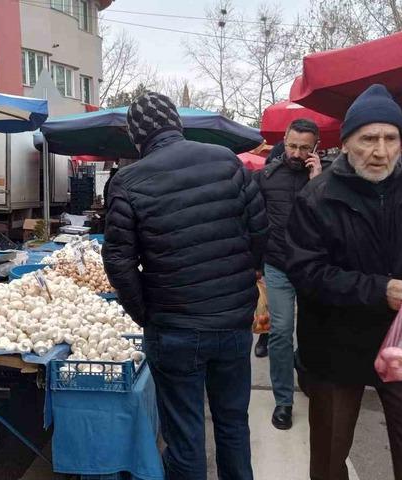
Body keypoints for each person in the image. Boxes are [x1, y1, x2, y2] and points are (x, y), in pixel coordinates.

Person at [285, 84, 402, 480]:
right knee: (329, 454)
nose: (380, 151)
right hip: (335, 344)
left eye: (391, 138)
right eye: (368, 139)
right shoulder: (317, 197)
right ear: (345, 144)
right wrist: (380, 290)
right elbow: (306, 273)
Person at [103, 92, 268, 480]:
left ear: (136, 137)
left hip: (174, 330)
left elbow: (119, 261)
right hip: (231, 324)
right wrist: (242, 282)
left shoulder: (128, 181)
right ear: (176, 124)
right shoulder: (226, 161)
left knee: (185, 435)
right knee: (232, 423)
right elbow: (260, 231)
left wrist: (146, 313)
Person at [252, 118, 324, 430]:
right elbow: (254, 222)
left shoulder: (326, 177)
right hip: (277, 265)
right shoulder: (267, 176)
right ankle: (284, 400)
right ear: (285, 140)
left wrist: (317, 181)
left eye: (304, 148)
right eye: (292, 145)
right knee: (280, 331)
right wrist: (256, 266)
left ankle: (306, 370)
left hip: (313, 267)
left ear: (315, 148)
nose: (296, 153)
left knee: (313, 330)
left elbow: (329, 221)